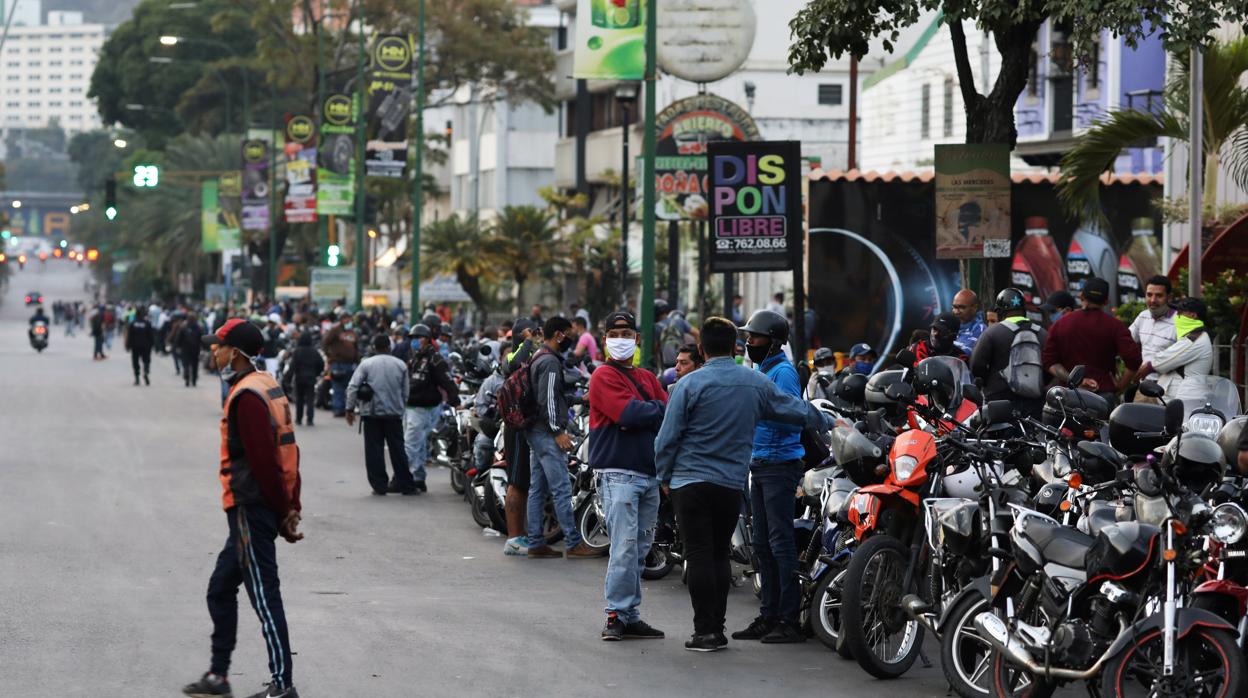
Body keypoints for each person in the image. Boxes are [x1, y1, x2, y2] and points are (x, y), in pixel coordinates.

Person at [655, 317, 834, 652]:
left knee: (699, 554)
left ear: (700, 348)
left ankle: (705, 630)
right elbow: (796, 410)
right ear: (735, 347)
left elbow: (666, 439)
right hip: (730, 483)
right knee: (720, 554)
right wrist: (831, 421)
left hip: (690, 481)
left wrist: (664, 477)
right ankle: (718, 629)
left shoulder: (688, 386)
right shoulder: (754, 382)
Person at [183, 319, 302, 698]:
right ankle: (218, 677)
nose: (213, 351)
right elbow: (290, 449)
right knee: (220, 588)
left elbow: (266, 461)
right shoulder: (264, 384)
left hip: (252, 507)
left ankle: (283, 686)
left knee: (265, 597)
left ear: (234, 352)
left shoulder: (247, 396)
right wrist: (290, 503)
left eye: (217, 345)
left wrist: (284, 510)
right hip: (253, 508)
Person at [588, 310, 668, 640]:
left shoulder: (647, 377)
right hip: (619, 474)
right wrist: (651, 411)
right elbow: (627, 412)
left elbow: (665, 414)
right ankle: (614, 616)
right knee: (623, 547)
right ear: (604, 338)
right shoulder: (603, 376)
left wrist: (648, 413)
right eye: (615, 332)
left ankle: (629, 613)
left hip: (648, 475)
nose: (622, 338)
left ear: (637, 338)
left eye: (627, 333)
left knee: (639, 548)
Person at [735, 310, 807, 644]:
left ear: (773, 341)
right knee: (762, 544)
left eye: (754, 337)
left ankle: (790, 619)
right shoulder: (762, 370)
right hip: (760, 464)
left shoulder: (783, 372)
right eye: (748, 337)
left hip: (780, 466)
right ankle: (768, 615)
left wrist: (756, 408)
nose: (749, 342)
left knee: (780, 543)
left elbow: (793, 416)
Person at [525, 316, 599, 559]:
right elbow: (547, 400)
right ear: (558, 334)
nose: (571, 338)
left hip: (536, 430)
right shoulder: (550, 362)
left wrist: (579, 400)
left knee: (538, 488)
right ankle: (574, 542)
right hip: (546, 432)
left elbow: (552, 397)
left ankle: (536, 541)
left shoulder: (540, 356)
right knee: (561, 488)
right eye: (568, 333)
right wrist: (558, 432)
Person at [1041, 278, 1141, 404]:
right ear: (1106, 301)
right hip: (1102, 396)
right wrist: (1120, 386)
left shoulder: (1060, 324)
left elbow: (1049, 361)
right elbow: (1134, 360)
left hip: (1067, 396)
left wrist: (1074, 380)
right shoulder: (1115, 326)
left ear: (1081, 296)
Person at [346, 335, 418, 496]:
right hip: (394, 415)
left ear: (374, 347)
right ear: (389, 347)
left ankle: (379, 486)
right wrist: (400, 408)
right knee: (398, 450)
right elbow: (405, 392)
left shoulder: (367, 364)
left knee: (374, 450)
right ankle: (406, 484)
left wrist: (349, 409)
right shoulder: (400, 365)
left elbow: (352, 387)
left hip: (371, 415)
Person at [970, 288, 1048, 417]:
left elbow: (976, 365)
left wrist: (986, 382)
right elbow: (1049, 366)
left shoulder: (992, 332)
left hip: (999, 401)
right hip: (1035, 403)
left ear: (1000, 311)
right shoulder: (1042, 333)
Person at [404, 324, 459, 492]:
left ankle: (405, 477)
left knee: (411, 444)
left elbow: (447, 381)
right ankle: (418, 477)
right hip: (411, 406)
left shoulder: (435, 359)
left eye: (417, 338)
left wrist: (455, 401)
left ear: (427, 339)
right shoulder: (414, 357)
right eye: (412, 338)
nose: (414, 342)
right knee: (418, 444)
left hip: (423, 408)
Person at [501, 318, 540, 555]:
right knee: (517, 482)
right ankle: (514, 538)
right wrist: (526, 341)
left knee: (525, 483)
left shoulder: (534, 356)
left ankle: (523, 534)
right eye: (530, 332)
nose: (535, 336)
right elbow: (513, 364)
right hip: (516, 427)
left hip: (530, 424)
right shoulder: (512, 356)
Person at [1137, 297, 1213, 401]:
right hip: (1179, 401)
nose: (1177, 316)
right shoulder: (1192, 336)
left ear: (1193, 315)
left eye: (1180, 313)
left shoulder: (1194, 339)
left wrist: (1149, 366)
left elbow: (1162, 361)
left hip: (1185, 403)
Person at [1128, 275, 1177, 396]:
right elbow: (1126, 342)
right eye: (1149, 295)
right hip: (1144, 387)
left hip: (1170, 390)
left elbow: (1181, 356)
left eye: (1159, 295)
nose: (1153, 300)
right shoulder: (1143, 316)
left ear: (1169, 297)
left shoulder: (1180, 322)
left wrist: (1152, 366)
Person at [322, 316, 360, 418]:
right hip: (337, 363)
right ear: (342, 320)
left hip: (350, 364)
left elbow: (356, 347)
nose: (349, 321)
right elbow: (325, 342)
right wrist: (329, 355)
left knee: (349, 387)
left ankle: (346, 409)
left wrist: (357, 361)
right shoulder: (335, 330)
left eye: (350, 319)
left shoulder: (352, 332)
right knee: (338, 387)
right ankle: (338, 409)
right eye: (346, 319)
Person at [288, 333, 324, 427]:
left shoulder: (297, 351)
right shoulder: (314, 351)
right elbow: (321, 364)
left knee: (299, 399)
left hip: (299, 378)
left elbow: (292, 366)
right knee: (310, 399)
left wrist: (288, 378)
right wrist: (316, 373)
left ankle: (299, 419)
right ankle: (310, 420)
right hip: (311, 378)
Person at [655, 299, 698, 370]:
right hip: (682, 361)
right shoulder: (680, 321)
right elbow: (696, 333)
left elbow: (655, 349)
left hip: (666, 364)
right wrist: (698, 352)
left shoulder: (657, 326)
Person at [126, 306, 156, 386]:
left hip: (135, 346)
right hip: (146, 346)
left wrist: (128, 346)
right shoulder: (147, 323)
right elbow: (151, 335)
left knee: (135, 362)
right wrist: (153, 345)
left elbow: (130, 336)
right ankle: (146, 371)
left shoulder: (133, 324)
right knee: (146, 361)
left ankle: (137, 378)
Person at [952, 289, 987, 354]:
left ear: (974, 308)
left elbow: (965, 355)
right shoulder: (949, 326)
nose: (956, 312)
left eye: (961, 307)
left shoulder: (981, 331)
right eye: (954, 307)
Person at [178, 315, 206, 387]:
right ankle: (194, 380)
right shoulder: (198, 327)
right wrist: (203, 347)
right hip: (195, 349)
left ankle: (186, 375)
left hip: (185, 349)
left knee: (185, 363)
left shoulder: (183, 327)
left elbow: (179, 338)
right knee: (195, 365)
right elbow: (202, 338)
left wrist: (178, 346)